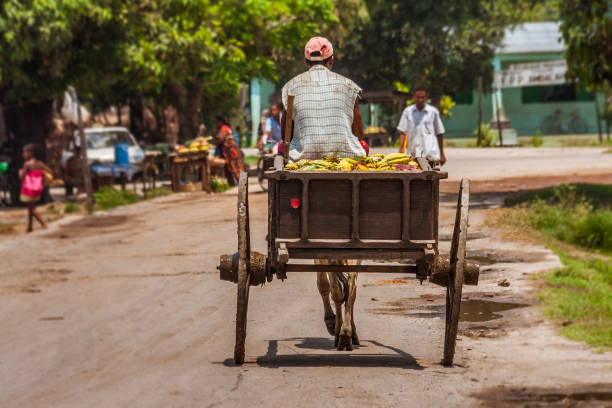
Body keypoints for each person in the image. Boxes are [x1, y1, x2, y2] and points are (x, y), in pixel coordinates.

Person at [281, 37, 367, 160]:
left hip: (303, 158)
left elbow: (285, 136)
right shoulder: (349, 86)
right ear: (331, 60)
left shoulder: (290, 87)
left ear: (306, 62)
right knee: (363, 146)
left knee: (281, 147)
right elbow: (359, 135)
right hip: (346, 158)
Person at [397, 85, 446, 166]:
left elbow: (439, 133)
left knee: (431, 177)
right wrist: (401, 150)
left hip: (430, 155)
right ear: (414, 97)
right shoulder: (408, 112)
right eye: (418, 97)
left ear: (426, 97)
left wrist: (442, 154)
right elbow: (402, 131)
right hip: (413, 155)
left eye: (422, 97)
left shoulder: (433, 112)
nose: (420, 99)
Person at [19, 144, 52, 232]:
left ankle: (43, 223)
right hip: (37, 188)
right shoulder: (40, 164)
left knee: (32, 209)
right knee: (31, 207)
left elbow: (22, 177)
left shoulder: (27, 164)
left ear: (30, 153)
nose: (23, 155)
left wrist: (20, 172)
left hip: (29, 189)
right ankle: (30, 227)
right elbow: (50, 171)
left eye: (24, 152)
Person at [210, 116, 244, 186]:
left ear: (220, 122)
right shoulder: (223, 128)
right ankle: (233, 184)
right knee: (230, 168)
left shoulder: (224, 128)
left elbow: (220, 139)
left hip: (231, 152)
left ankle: (242, 184)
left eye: (217, 122)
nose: (216, 124)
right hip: (229, 152)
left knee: (235, 167)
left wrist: (212, 144)